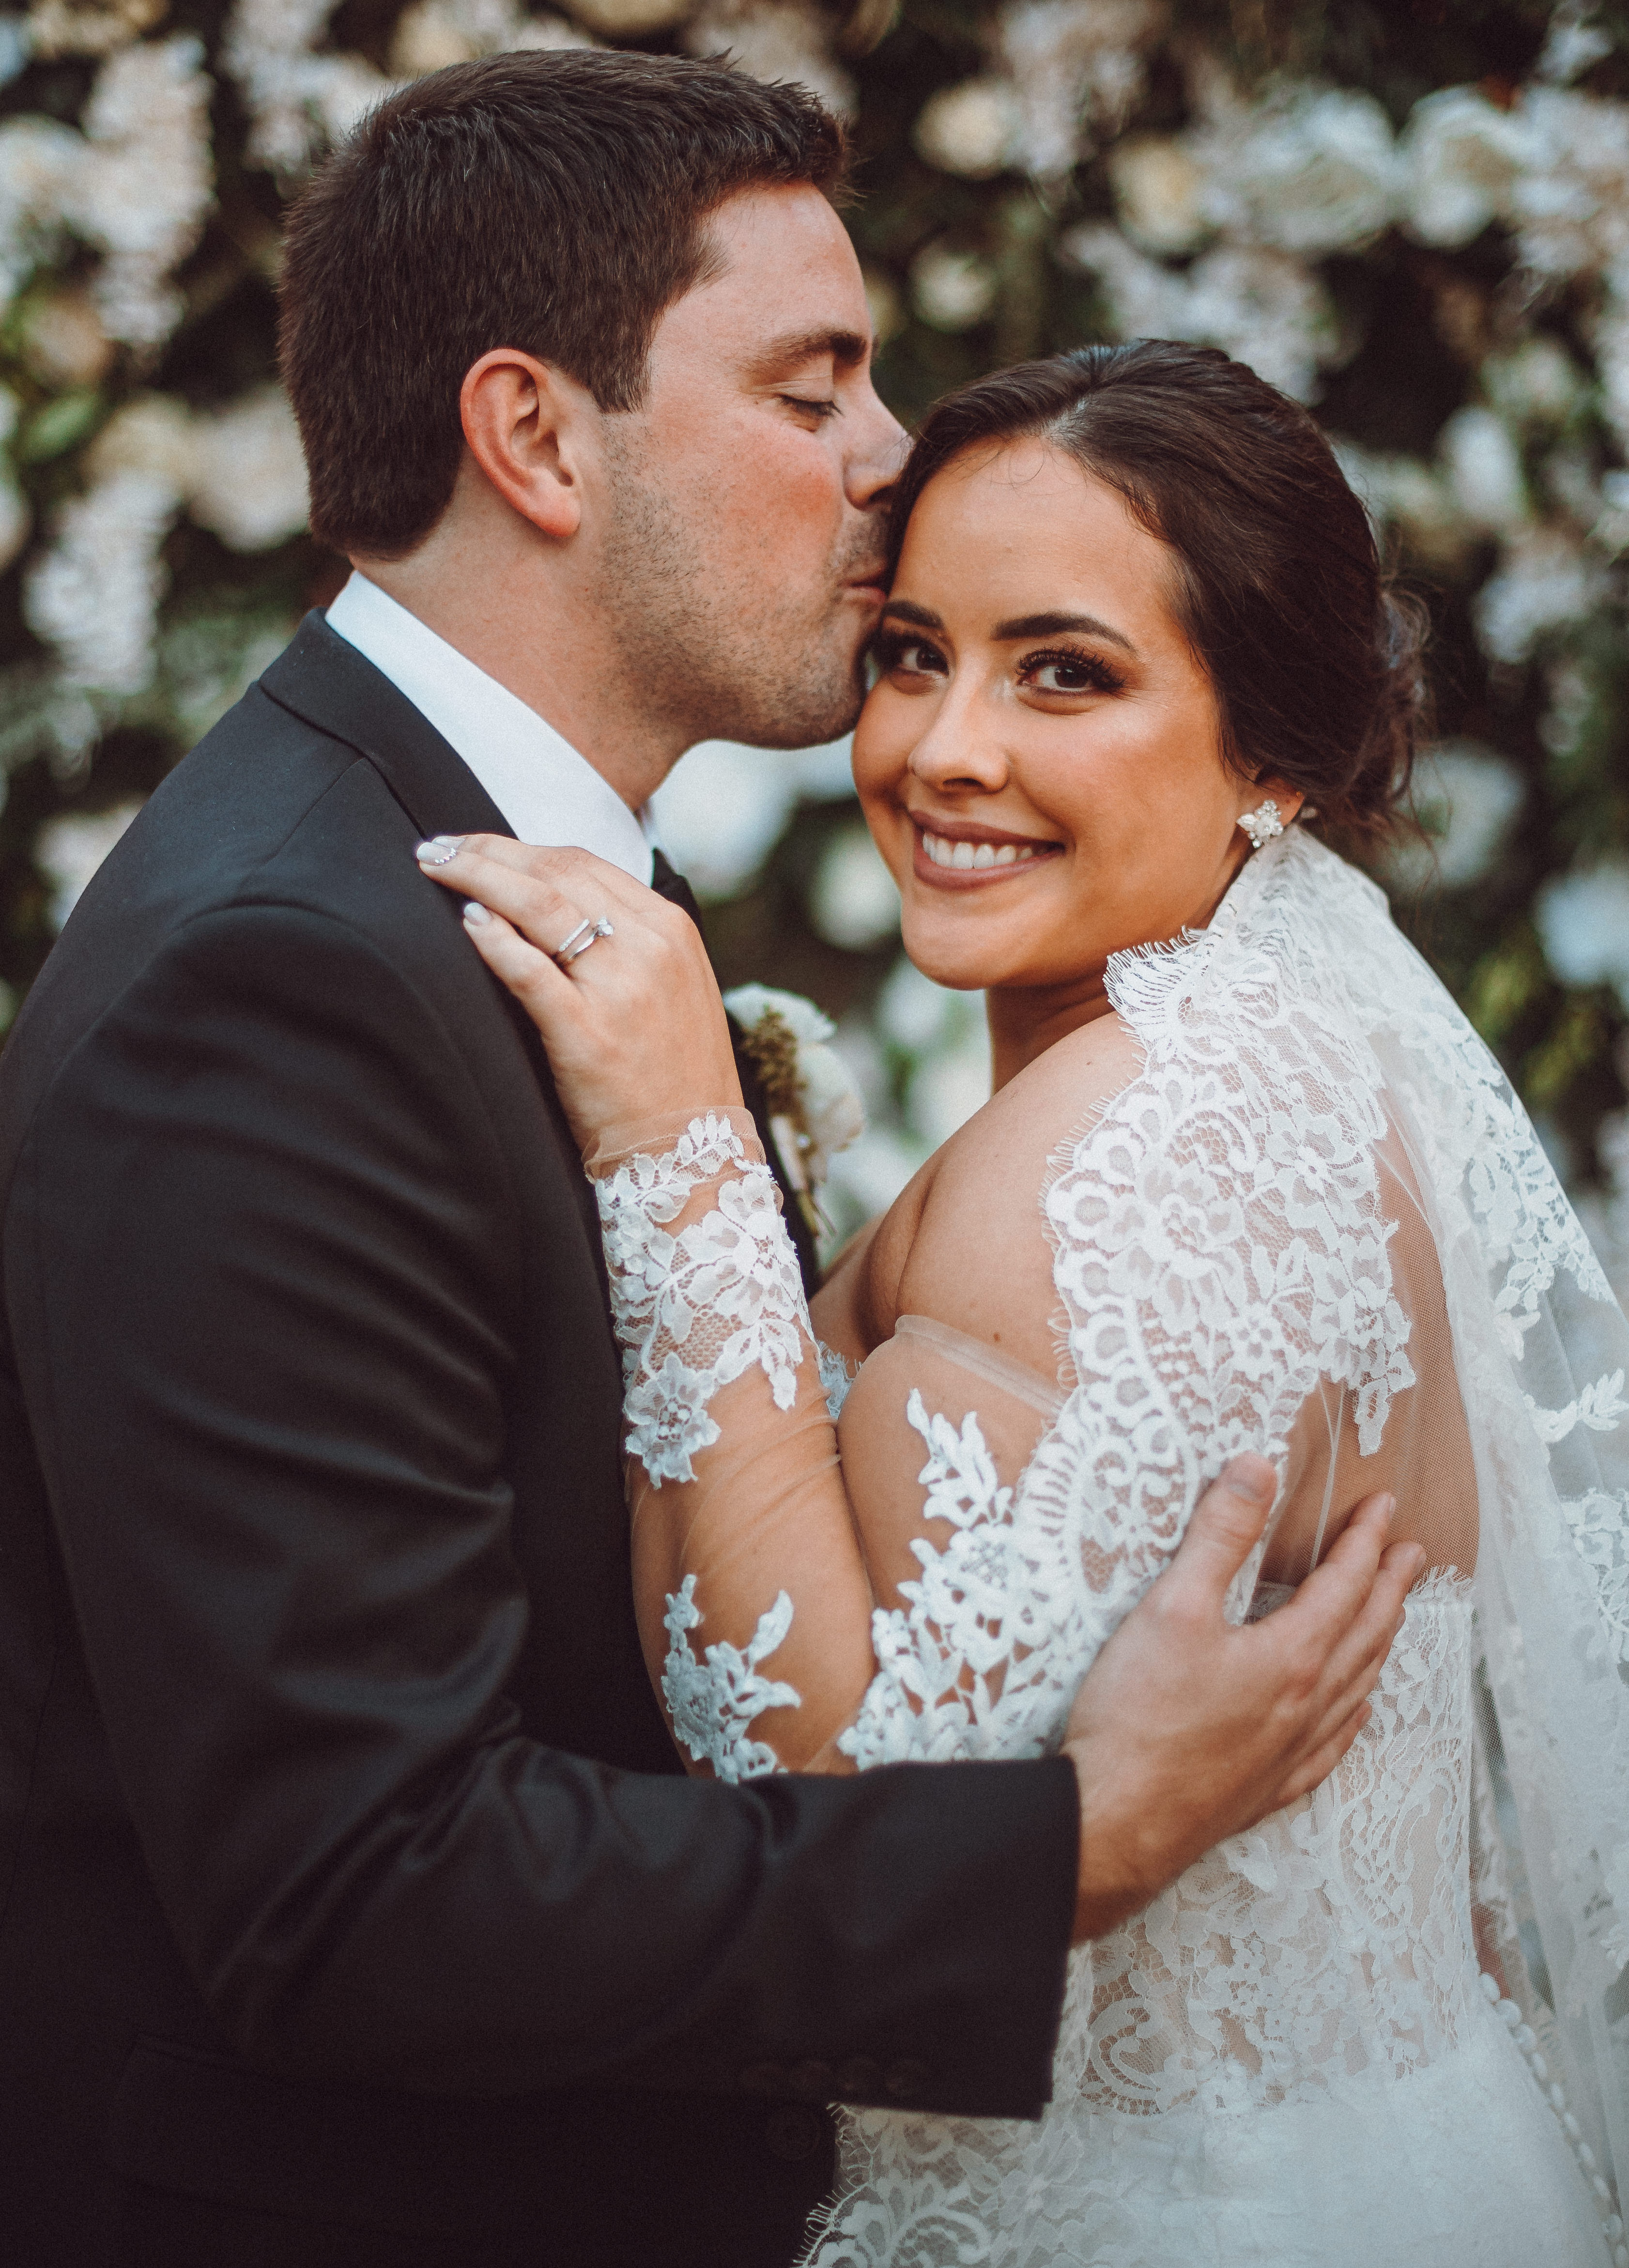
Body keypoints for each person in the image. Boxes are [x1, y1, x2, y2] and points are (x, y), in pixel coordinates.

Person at [0, 59, 1418, 2268]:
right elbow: (358, 1886)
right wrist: (1068, 1844)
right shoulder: (280, 973)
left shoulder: (512, 901)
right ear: (539, 437)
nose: (889, 462)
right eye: (814, 386)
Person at [431, 340, 1629, 2267]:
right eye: (912, 652)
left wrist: (679, 1165)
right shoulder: (1304, 1071)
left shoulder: (1114, 1161)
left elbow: (822, 1795)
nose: (942, 750)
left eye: (1063, 671)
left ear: (1274, 757)